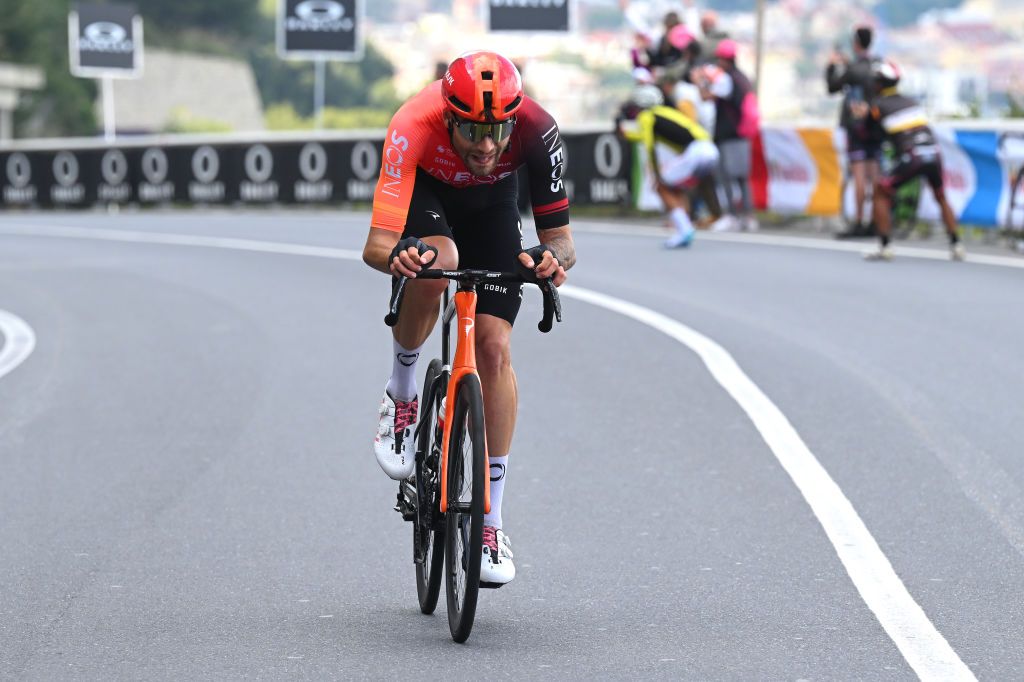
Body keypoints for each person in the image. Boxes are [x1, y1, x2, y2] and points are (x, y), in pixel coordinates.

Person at [362, 51, 576, 585]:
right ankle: (404, 392)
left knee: (494, 348)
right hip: (428, 199)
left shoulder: (538, 129)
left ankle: (490, 520)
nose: (486, 147)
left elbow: (562, 244)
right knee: (441, 264)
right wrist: (401, 259)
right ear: (449, 116)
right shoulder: (412, 125)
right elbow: (376, 246)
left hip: (492, 208)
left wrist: (551, 262)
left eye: (497, 134)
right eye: (473, 133)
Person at [862, 60, 965, 262]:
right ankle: (957, 244)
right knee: (941, 196)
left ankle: (885, 246)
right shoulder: (911, 102)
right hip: (933, 152)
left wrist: (861, 115)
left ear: (878, 84)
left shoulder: (878, 106)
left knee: (880, 191)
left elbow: (867, 132)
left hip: (912, 155)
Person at [616, 84, 719, 248]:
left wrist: (656, 173)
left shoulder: (647, 116)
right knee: (675, 187)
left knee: (661, 186)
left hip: (697, 151)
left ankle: (685, 229)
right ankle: (685, 226)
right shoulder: (665, 112)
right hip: (709, 149)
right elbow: (644, 135)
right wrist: (627, 135)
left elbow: (649, 144)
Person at [695, 38, 757, 232]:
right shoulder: (742, 77)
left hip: (729, 134)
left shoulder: (727, 79)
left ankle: (732, 215)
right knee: (741, 178)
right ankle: (748, 216)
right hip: (740, 133)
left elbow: (706, 96)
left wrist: (700, 81)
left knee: (728, 176)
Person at [826, 25, 882, 239]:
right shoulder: (877, 65)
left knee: (859, 176)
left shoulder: (853, 69)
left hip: (857, 127)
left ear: (856, 43)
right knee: (875, 176)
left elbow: (833, 87)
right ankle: (878, 219)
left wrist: (832, 66)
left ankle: (859, 220)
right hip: (876, 126)